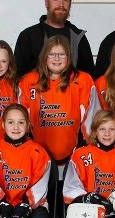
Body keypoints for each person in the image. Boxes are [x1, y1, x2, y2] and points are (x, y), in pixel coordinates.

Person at [18, 35, 100, 170]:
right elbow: (19, 120)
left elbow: (93, 118)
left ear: (69, 57)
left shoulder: (84, 80)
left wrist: (87, 149)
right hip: (37, 156)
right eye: (52, 54)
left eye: (62, 54)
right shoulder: (28, 82)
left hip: (74, 155)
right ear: (44, 56)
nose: (57, 59)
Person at [14, 0, 95, 77]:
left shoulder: (78, 37)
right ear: (46, 2)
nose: (61, 5)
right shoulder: (28, 36)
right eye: (55, 0)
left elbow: (89, 76)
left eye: (65, 0)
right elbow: (18, 76)